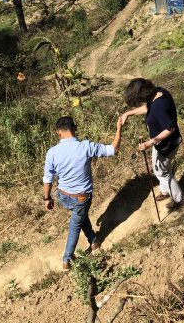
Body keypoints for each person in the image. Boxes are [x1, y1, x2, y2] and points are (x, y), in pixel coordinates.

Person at [43, 116, 121, 272]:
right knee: (75, 225)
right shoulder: (86, 147)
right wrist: (119, 128)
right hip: (81, 198)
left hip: (63, 196)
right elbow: (113, 149)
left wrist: (47, 198)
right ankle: (67, 260)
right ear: (75, 128)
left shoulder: (52, 152)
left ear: (58, 132)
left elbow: (48, 178)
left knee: (80, 215)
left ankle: (93, 240)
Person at [118, 78, 184, 211]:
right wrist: (128, 113)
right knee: (158, 168)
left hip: (167, 144)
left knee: (163, 172)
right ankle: (165, 191)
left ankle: (180, 199)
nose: (138, 103)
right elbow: (148, 107)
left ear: (141, 96)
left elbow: (170, 128)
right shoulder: (159, 92)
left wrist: (150, 143)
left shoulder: (158, 106)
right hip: (162, 143)